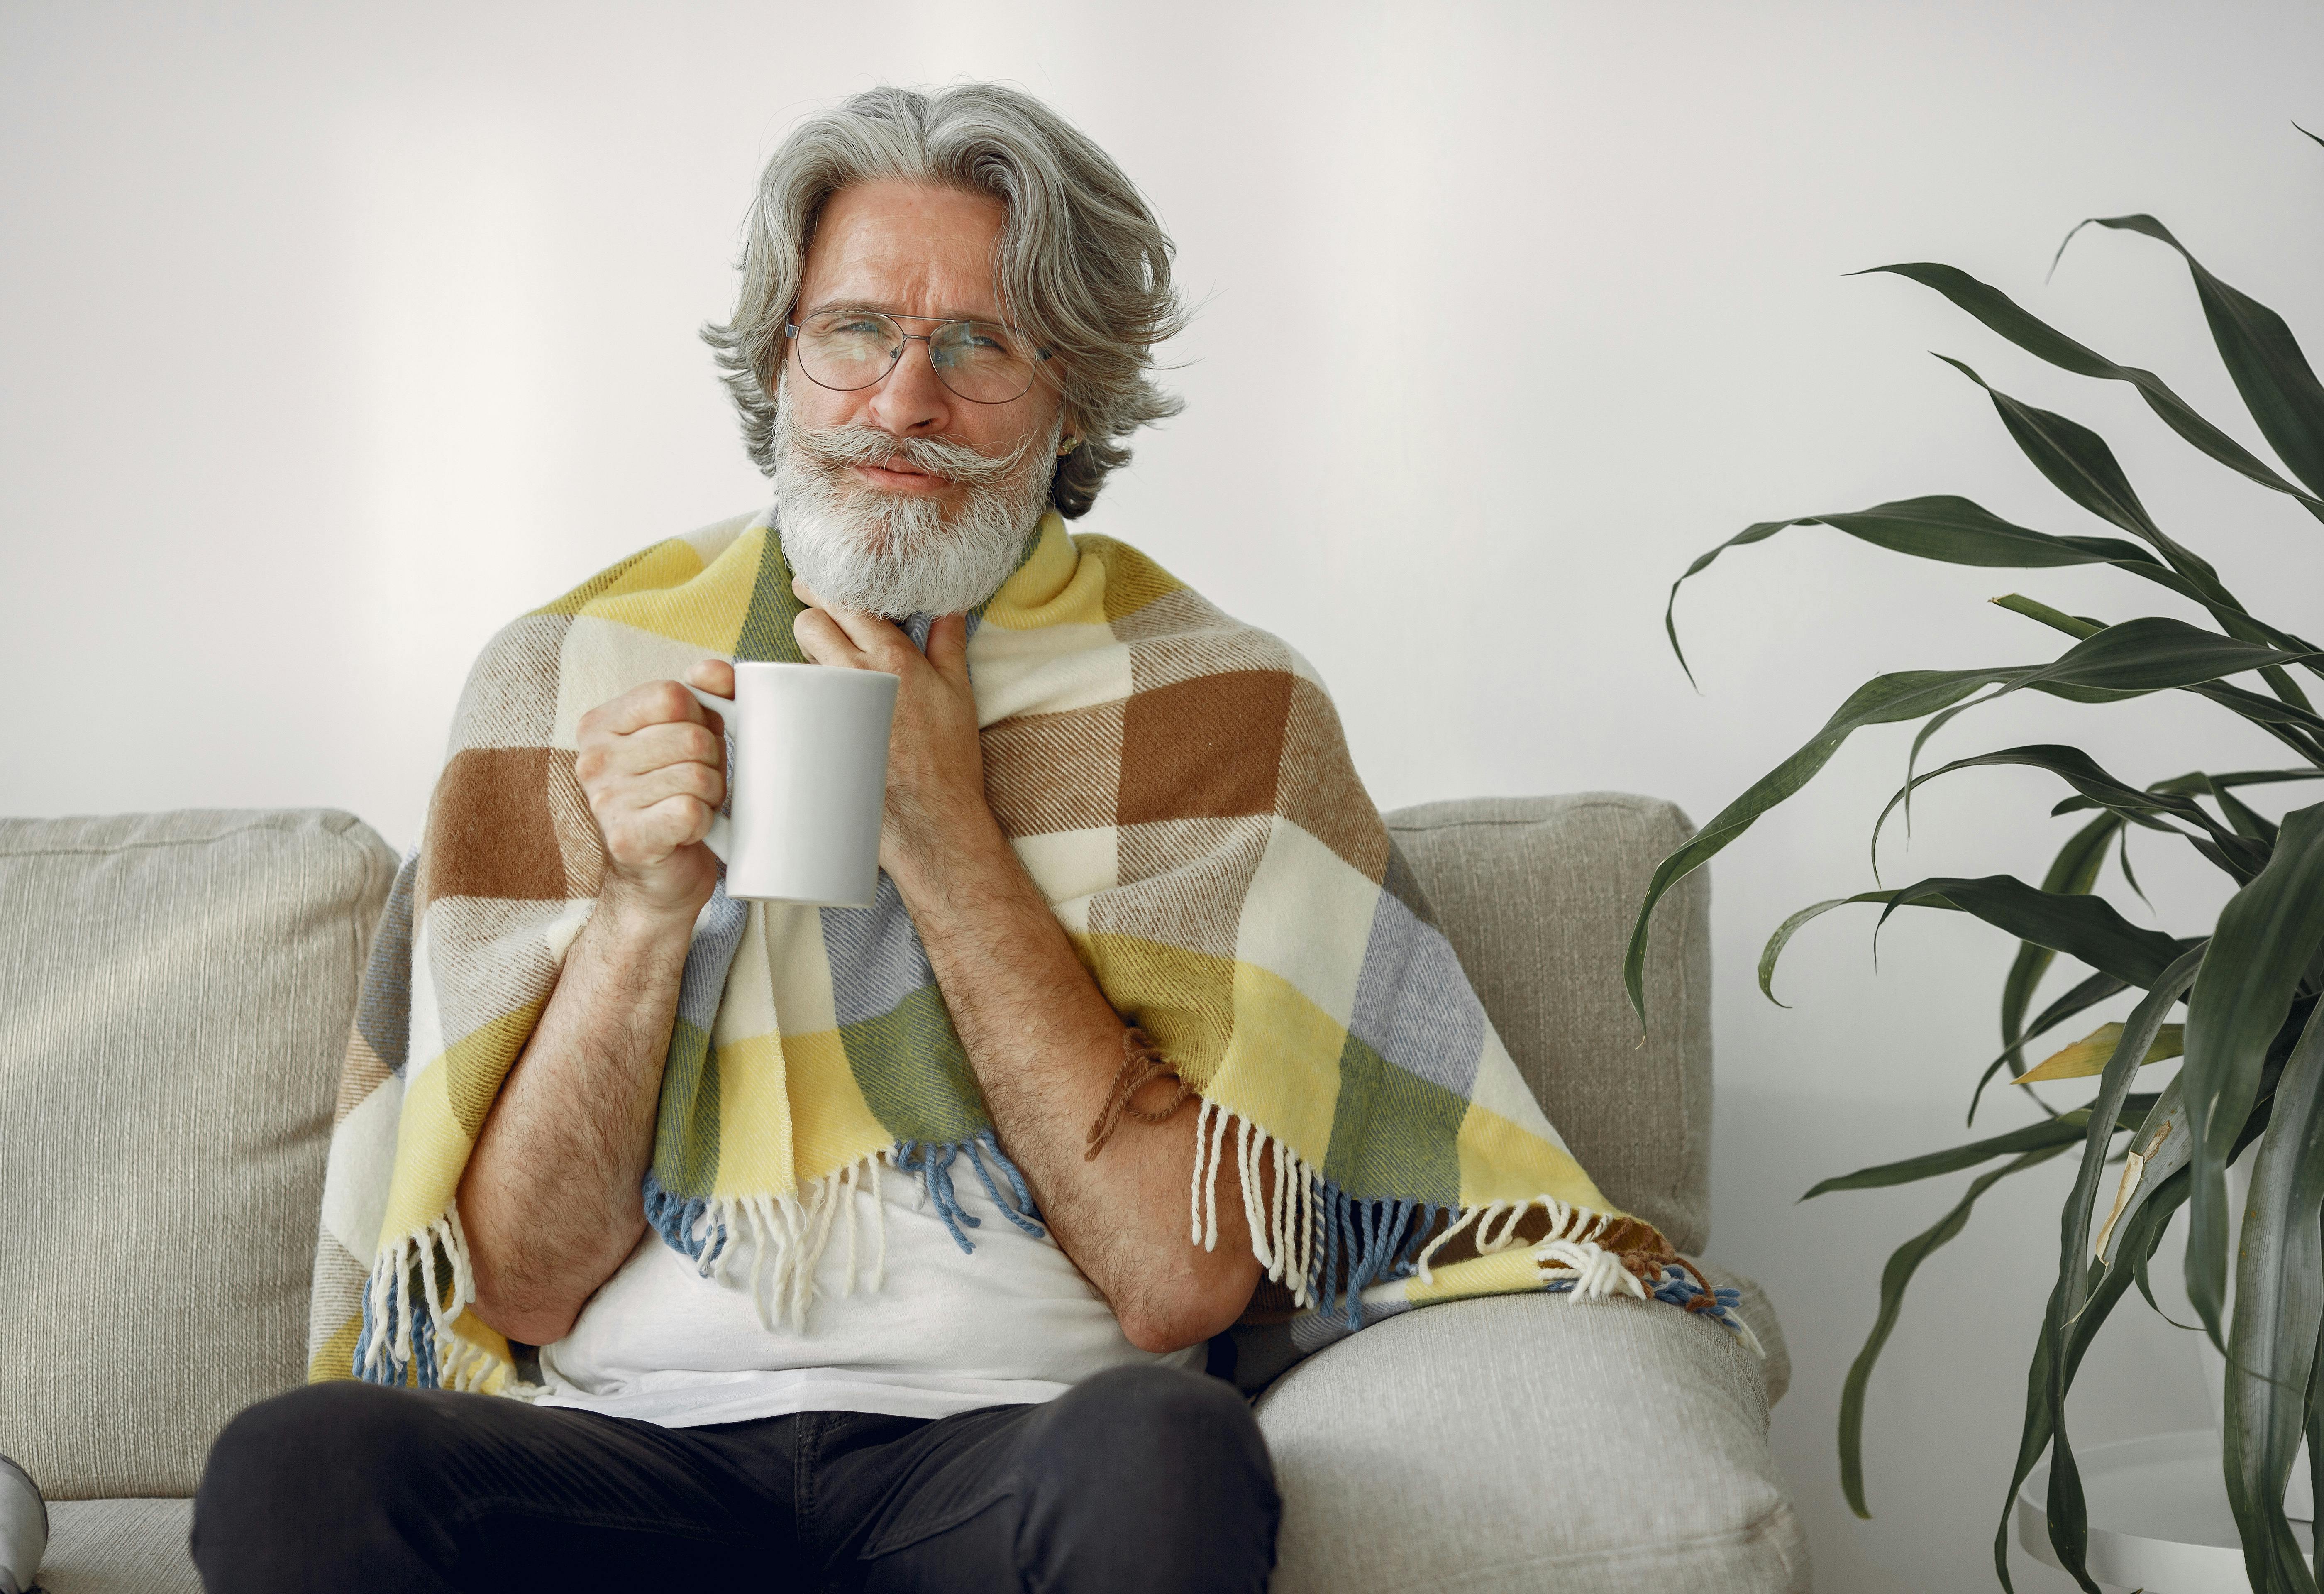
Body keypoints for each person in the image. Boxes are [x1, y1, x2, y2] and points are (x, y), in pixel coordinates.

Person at [193, 78, 1741, 1594]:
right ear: (780, 361)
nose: (904, 402)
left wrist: (944, 835)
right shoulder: (571, 676)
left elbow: (1181, 1281)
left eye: (980, 343)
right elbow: (520, 1282)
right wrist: (642, 912)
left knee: (1168, 1451)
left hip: (1012, 1451)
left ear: (1075, 393)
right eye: (854, 330)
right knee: (301, 1466)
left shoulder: (1219, 703)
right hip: (633, 1453)